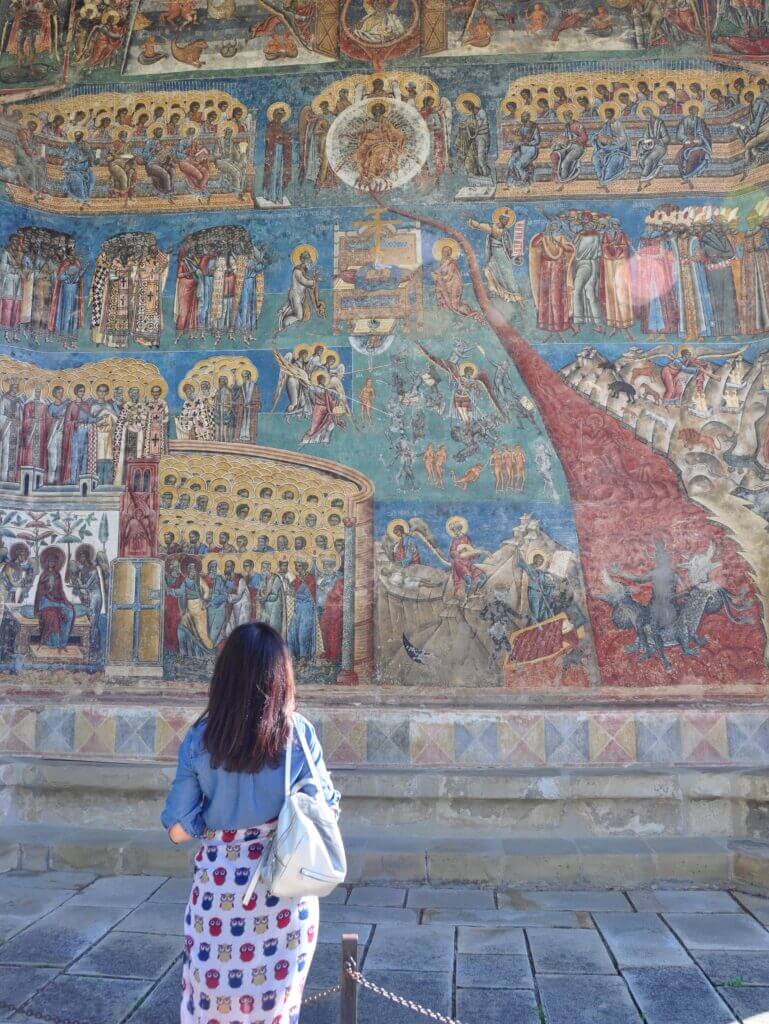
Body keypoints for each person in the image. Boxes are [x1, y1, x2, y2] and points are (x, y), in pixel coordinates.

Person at [161, 623, 339, 1024]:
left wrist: (217, 823)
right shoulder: (299, 733)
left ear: (224, 675)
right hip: (285, 891)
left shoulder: (200, 738)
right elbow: (326, 808)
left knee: (213, 1005)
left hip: (219, 894)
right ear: (281, 676)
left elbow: (178, 829)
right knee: (276, 1011)